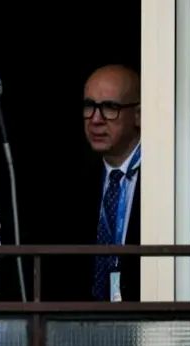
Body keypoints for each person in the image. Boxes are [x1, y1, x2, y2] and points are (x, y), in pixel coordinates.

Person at [83, 64, 142, 301]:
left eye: (110, 108)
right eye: (89, 106)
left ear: (138, 114)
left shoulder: (166, 176)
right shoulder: (76, 180)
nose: (96, 119)